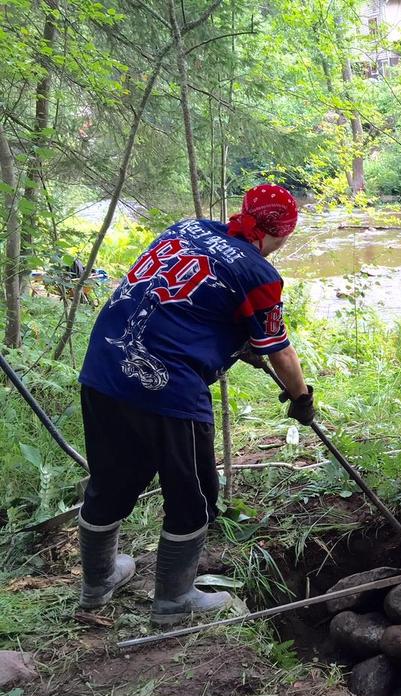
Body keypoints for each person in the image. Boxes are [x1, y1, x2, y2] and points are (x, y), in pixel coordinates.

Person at [77, 184, 315, 626]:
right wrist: (302, 399)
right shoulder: (260, 273)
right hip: (166, 389)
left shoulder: (187, 228)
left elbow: (179, 302)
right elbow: (280, 349)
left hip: (103, 368)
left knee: (111, 479)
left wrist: (233, 338)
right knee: (194, 495)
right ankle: (174, 600)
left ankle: (98, 581)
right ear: (280, 234)